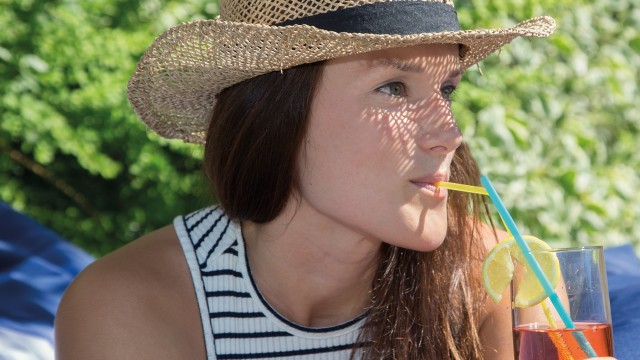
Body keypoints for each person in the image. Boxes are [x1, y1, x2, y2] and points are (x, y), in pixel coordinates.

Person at [55, 0, 614, 359]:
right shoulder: (130, 309)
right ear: (277, 115)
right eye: (394, 88)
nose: (450, 134)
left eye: (447, 91)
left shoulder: (500, 278)